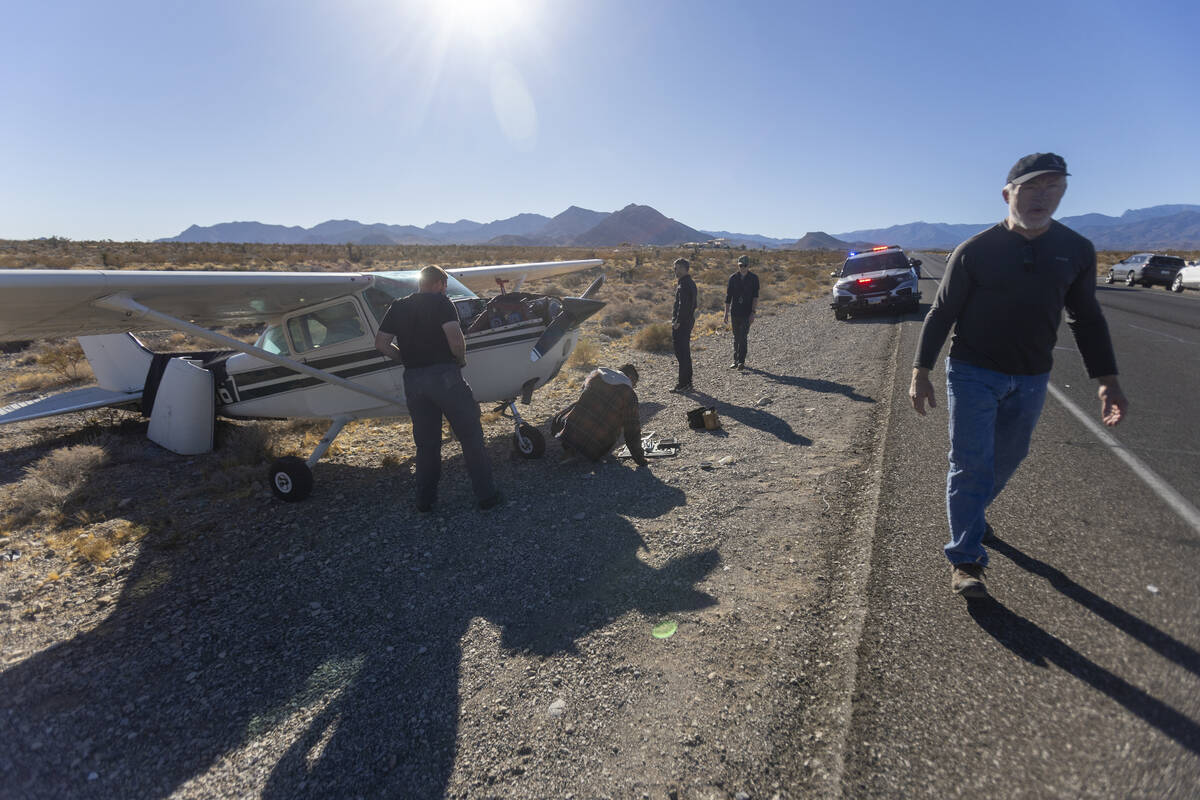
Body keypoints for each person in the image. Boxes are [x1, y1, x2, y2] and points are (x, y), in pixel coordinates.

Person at [909, 152, 1129, 598]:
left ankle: (972, 516)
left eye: (1053, 187)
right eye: (1031, 187)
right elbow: (942, 312)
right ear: (1008, 193)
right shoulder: (975, 251)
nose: (1042, 196)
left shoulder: (1076, 251)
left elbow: (1085, 318)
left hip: (1031, 378)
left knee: (1006, 460)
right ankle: (966, 559)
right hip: (972, 371)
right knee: (971, 464)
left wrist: (1107, 379)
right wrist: (921, 371)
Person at [375, 265, 502, 512]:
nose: (444, 290)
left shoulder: (398, 306)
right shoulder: (442, 303)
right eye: (444, 286)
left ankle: (425, 501)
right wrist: (460, 359)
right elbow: (455, 337)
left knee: (427, 444)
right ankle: (487, 496)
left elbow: (381, 343)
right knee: (471, 435)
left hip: (413, 380)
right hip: (444, 376)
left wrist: (405, 360)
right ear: (439, 284)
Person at [550, 363, 647, 466]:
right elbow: (632, 432)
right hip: (596, 449)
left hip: (569, 435)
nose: (633, 387)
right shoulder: (629, 394)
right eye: (634, 384)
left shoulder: (595, 375)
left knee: (576, 406)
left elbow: (583, 393)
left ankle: (570, 447)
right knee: (622, 419)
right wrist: (641, 460)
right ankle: (586, 447)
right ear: (630, 377)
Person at [724, 254, 759, 369]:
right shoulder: (732, 278)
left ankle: (741, 361)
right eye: (740, 265)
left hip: (747, 312)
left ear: (748, 265)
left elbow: (755, 296)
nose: (742, 267)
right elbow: (728, 297)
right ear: (738, 265)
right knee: (736, 337)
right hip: (735, 312)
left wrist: (753, 313)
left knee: (743, 337)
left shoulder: (754, 278)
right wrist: (726, 313)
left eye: (744, 265)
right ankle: (735, 359)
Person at [671, 258, 698, 393]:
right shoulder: (691, 283)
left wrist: (677, 322)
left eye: (676, 268)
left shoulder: (683, 284)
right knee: (685, 353)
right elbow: (693, 305)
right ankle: (687, 382)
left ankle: (683, 384)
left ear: (682, 269)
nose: (674, 271)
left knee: (681, 353)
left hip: (682, 324)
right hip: (688, 322)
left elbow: (683, 305)